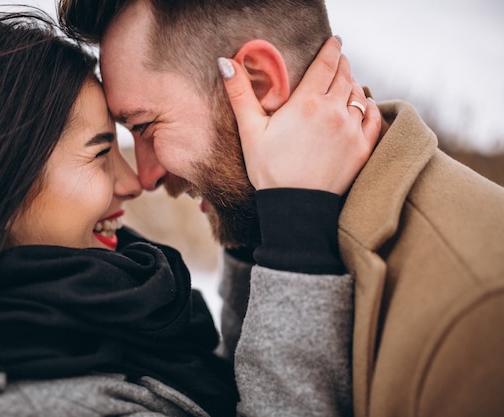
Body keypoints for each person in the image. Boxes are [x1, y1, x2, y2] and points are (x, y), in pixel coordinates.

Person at [0, 8, 376, 417]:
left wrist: (253, 207)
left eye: (136, 130)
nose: (135, 180)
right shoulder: (4, 405)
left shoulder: (98, 318)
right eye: (100, 152)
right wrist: (297, 233)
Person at [59, 0, 504, 416]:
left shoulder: (476, 313)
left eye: (145, 126)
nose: (146, 176)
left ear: (257, 82)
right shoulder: (281, 215)